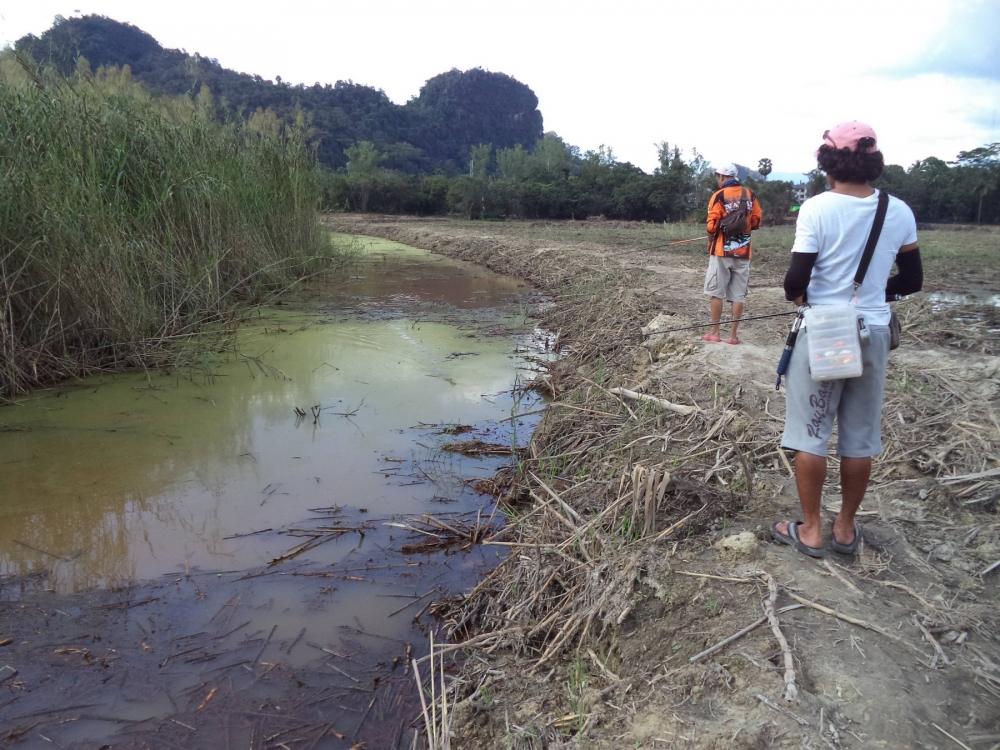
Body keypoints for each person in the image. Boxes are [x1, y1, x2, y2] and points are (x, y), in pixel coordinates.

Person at [772, 121, 923, 557]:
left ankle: (812, 530)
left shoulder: (817, 209)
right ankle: (845, 529)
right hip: (873, 332)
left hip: (824, 332)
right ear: (873, 161)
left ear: (828, 162)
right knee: (860, 438)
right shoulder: (899, 210)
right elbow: (911, 280)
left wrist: (803, 295)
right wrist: (876, 294)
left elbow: (795, 280)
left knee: (811, 432)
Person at [702, 164, 763, 345]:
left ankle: (715, 332)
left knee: (716, 292)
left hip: (721, 251)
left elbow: (711, 225)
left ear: (722, 177)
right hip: (743, 252)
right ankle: (734, 336)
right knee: (738, 295)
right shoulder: (750, 194)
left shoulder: (719, 196)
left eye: (717, 176)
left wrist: (712, 235)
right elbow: (757, 221)